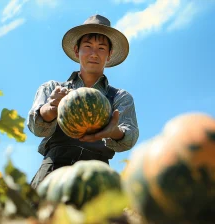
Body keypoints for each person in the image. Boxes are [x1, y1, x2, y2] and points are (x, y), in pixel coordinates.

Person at [27, 14, 139, 189]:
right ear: (76, 50)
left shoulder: (120, 97)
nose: (94, 53)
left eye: (101, 48)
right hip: (52, 172)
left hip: (97, 176)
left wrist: (113, 131)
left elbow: (129, 138)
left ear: (109, 55)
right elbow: (36, 127)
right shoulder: (52, 88)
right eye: (87, 46)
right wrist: (52, 107)